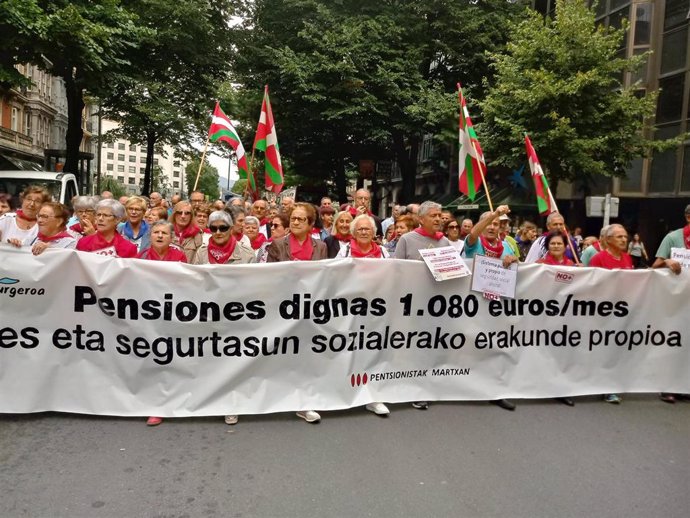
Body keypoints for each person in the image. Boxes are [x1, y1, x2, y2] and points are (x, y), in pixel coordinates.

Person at [267, 203, 326, 424]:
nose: (296, 222)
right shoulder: (277, 245)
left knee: (305, 355)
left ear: (311, 224)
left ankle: (303, 401)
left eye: (301, 219)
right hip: (282, 307)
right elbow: (270, 276)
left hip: (309, 308)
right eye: (293, 218)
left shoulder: (320, 247)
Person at [462, 205, 518, 412]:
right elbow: (473, 233)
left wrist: (513, 260)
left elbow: (516, 264)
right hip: (471, 304)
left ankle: (494, 390)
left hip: (496, 305)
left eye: (496, 224)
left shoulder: (506, 246)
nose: (493, 226)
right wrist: (494, 214)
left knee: (494, 346)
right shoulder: (474, 243)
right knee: (468, 345)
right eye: (489, 223)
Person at [395, 201, 450, 410]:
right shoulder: (407, 240)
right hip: (411, 303)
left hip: (435, 303)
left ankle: (426, 384)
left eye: (440, 215)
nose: (438, 219)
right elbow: (395, 270)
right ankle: (411, 386)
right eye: (434, 216)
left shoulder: (444, 241)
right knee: (411, 346)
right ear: (421, 219)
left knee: (430, 345)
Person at [138, 220, 187, 427]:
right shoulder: (141, 257)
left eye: (164, 233)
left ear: (171, 237)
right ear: (150, 236)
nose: (159, 236)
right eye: (156, 232)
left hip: (173, 313)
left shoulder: (179, 256)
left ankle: (175, 399)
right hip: (148, 315)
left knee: (172, 359)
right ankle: (154, 405)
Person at [588, 224, 633, 405]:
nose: (624, 240)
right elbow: (591, 284)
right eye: (619, 237)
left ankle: (611, 384)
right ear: (607, 240)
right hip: (603, 313)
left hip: (623, 312)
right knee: (604, 351)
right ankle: (605, 387)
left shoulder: (628, 258)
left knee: (617, 351)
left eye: (625, 236)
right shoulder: (599, 258)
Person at [651, 204, 690, 404]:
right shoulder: (673, 237)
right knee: (673, 342)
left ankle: (685, 385)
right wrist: (667, 262)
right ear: (687, 217)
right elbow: (655, 265)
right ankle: (667, 386)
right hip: (675, 301)